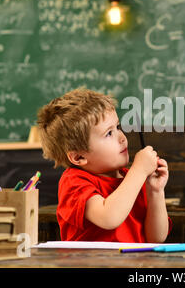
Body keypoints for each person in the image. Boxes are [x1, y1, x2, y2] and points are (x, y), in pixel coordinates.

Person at [37, 88, 170, 242]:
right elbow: (109, 218)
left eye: (118, 127)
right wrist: (139, 171)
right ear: (79, 157)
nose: (122, 138)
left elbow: (157, 238)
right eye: (109, 133)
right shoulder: (74, 182)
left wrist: (155, 192)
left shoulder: (132, 179)